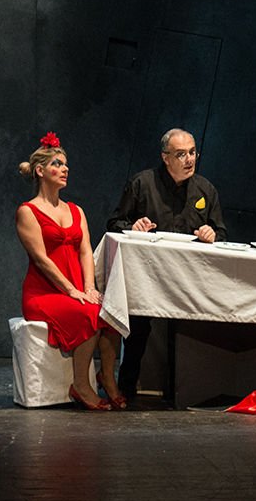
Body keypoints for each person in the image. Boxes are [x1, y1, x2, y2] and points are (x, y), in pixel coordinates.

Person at [106, 128, 227, 398]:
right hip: (148, 274)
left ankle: (194, 390)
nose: (189, 160)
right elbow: (114, 223)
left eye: (193, 153)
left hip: (190, 278)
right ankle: (127, 386)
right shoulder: (142, 183)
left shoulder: (205, 189)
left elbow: (221, 232)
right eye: (181, 154)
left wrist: (212, 234)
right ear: (165, 157)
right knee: (138, 325)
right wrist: (133, 227)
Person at [17, 132, 124, 411]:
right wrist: (71, 290)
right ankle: (81, 385)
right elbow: (41, 259)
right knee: (89, 314)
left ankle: (107, 378)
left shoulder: (76, 210)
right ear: (40, 171)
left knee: (110, 312)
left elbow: (86, 251)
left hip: (77, 288)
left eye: (66, 165)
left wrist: (89, 288)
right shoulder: (28, 212)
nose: (65, 169)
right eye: (57, 164)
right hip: (44, 294)